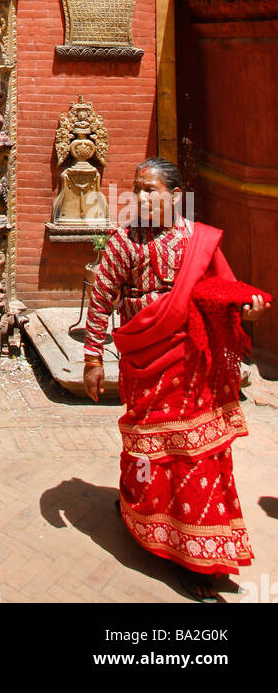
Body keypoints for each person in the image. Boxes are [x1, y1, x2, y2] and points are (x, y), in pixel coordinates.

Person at [83, 157, 271, 602]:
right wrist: (93, 358)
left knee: (196, 452)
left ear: (174, 194)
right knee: (148, 446)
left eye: (151, 189)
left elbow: (223, 290)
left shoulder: (198, 241)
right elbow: (100, 298)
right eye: (136, 188)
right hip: (145, 360)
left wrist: (247, 308)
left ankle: (197, 553)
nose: (143, 197)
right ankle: (139, 511)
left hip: (190, 364)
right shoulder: (123, 240)